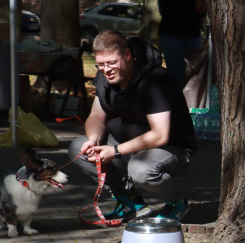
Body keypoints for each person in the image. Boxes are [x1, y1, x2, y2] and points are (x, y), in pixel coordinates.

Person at [68, 30, 197, 221]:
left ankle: (177, 201)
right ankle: (130, 202)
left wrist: (115, 151)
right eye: (101, 64)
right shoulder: (106, 78)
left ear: (128, 55)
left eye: (112, 63)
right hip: (125, 147)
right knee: (78, 148)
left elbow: (160, 135)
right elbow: (96, 116)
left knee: (140, 169)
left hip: (169, 148)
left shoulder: (156, 81)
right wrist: (93, 140)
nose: (106, 69)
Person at [157, 0, 207, 88]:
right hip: (172, 34)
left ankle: (191, 104)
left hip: (192, 33)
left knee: (194, 71)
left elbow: (201, 11)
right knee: (176, 73)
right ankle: (177, 104)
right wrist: (191, 5)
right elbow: (166, 10)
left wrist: (202, 9)